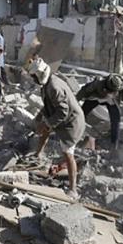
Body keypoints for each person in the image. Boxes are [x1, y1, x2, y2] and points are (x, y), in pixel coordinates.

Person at [28, 57, 85, 198]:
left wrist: (47, 123)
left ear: (40, 74)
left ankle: (73, 189)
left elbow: (63, 111)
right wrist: (41, 116)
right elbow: (49, 103)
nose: (33, 80)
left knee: (68, 153)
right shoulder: (48, 83)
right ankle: (37, 155)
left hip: (72, 123)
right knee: (45, 130)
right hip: (63, 118)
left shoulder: (53, 86)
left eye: (34, 77)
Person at [75, 74, 123, 153]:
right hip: (96, 99)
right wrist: (75, 105)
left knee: (115, 121)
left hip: (112, 103)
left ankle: (114, 148)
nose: (113, 94)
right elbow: (82, 92)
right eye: (111, 92)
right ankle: (73, 134)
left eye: (115, 92)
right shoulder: (97, 84)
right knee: (80, 114)